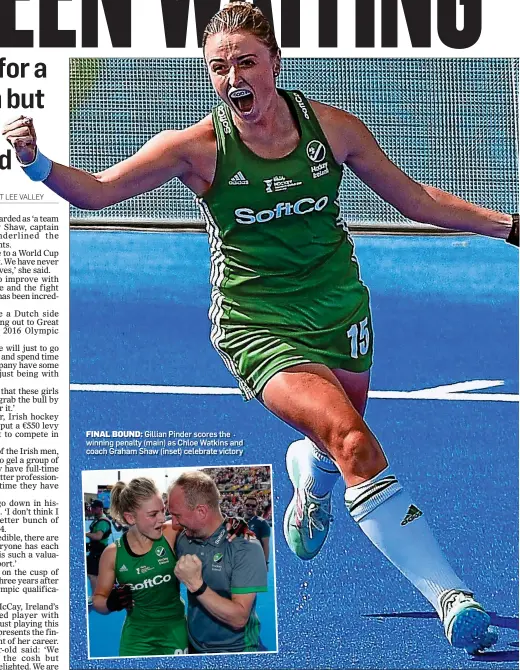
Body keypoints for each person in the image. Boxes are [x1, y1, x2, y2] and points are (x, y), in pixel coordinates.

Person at [3, 0, 517, 655]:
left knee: (339, 440)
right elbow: (98, 192)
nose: (233, 76)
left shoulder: (330, 129)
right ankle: (453, 596)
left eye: (247, 61)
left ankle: (312, 478)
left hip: (338, 307)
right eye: (219, 68)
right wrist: (38, 163)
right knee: (353, 439)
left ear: (275, 62)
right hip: (258, 322)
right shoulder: (196, 148)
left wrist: (510, 227)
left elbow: (415, 199)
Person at [168, 471, 268, 654]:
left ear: (201, 511)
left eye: (177, 515)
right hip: (194, 644)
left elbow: (239, 618)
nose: (173, 523)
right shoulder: (183, 538)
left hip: (236, 650)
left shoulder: (246, 546)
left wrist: (196, 585)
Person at [92, 478, 189, 657]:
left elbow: (210, 528)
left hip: (175, 629)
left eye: (163, 511)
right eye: (153, 514)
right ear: (130, 517)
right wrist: (110, 603)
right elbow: (98, 600)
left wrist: (233, 527)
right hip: (137, 636)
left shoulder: (171, 533)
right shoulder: (112, 554)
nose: (162, 519)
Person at [85, 499, 112, 606]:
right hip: (96, 550)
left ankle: (95, 597)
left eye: (94, 508)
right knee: (95, 574)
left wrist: (85, 534)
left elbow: (98, 536)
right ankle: (100, 594)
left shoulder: (102, 522)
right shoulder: (98, 519)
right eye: (92, 507)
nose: (92, 509)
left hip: (98, 551)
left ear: (100, 508)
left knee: (92, 574)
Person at [243, 496, 270, 566]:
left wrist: (265, 563)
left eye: (253, 506)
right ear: (243, 506)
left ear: (257, 507)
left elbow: (266, 545)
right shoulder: (239, 522)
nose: (250, 507)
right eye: (247, 505)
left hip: (255, 562)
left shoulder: (262, 523)